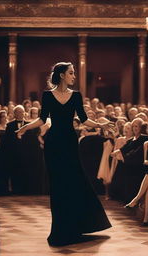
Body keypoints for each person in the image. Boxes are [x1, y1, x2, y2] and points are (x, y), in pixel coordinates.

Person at [17, 62, 112, 246]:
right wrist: (26, 127)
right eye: (71, 73)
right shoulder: (47, 95)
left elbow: (84, 119)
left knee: (74, 182)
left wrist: (100, 124)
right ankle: (60, 230)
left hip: (69, 142)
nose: (74, 76)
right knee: (58, 186)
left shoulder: (76, 96)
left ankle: (77, 226)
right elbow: (42, 119)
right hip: (53, 144)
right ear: (62, 75)